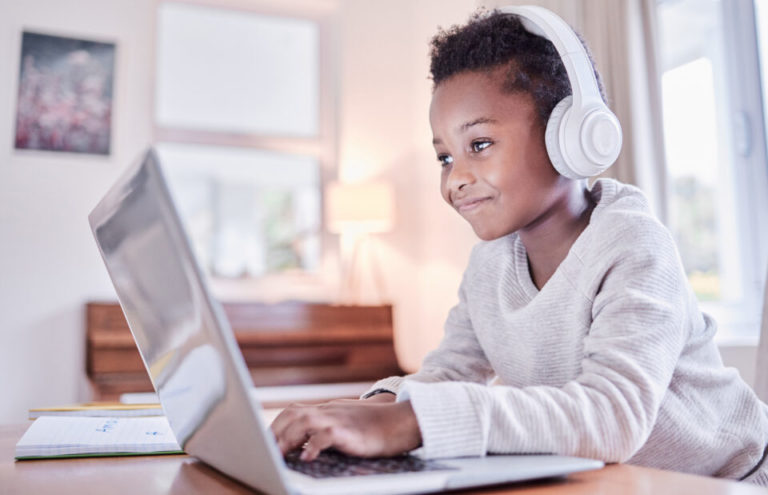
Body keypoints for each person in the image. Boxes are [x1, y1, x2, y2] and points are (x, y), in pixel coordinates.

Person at [270, 7, 768, 484]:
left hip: (735, 481)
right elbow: (449, 374)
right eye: (444, 157)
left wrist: (412, 423)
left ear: (570, 137)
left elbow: (613, 416)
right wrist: (363, 411)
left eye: (479, 145)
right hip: (632, 482)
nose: (455, 180)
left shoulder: (633, 245)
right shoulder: (490, 263)